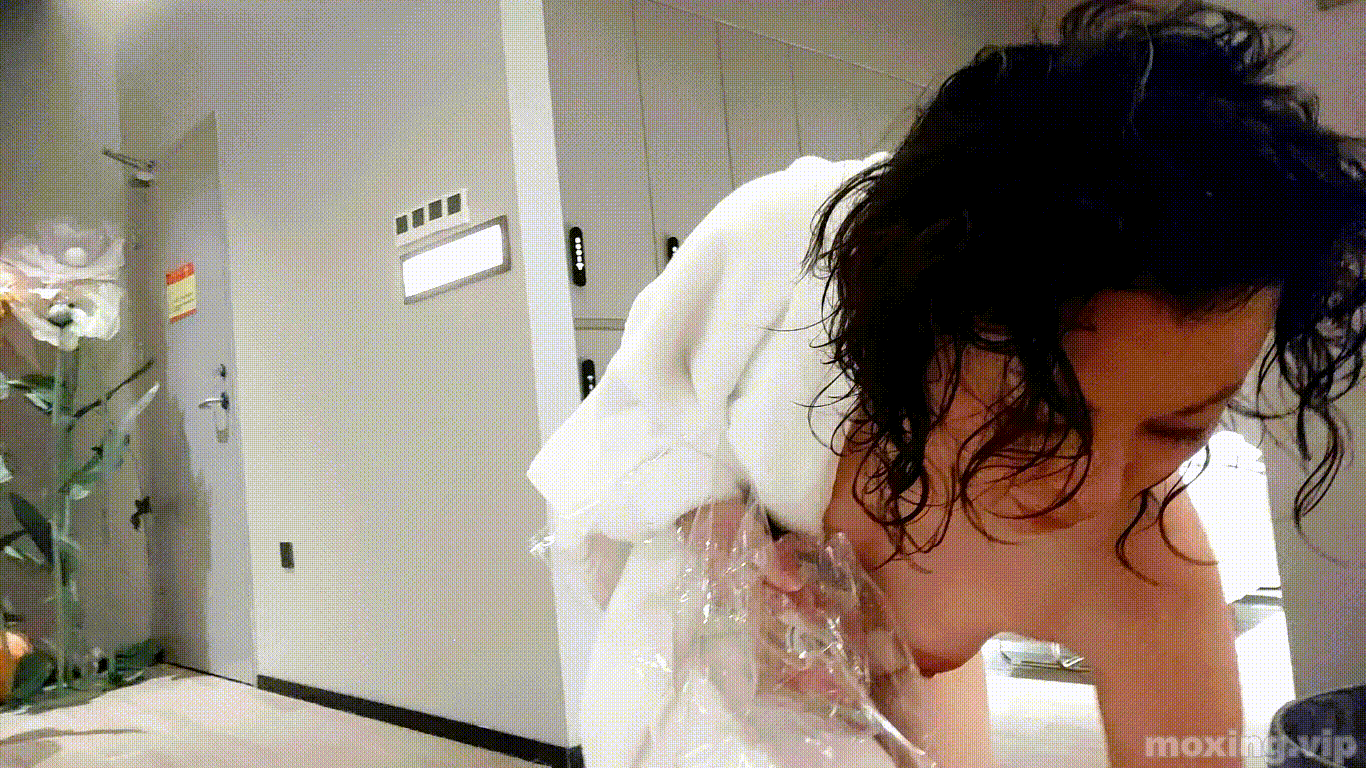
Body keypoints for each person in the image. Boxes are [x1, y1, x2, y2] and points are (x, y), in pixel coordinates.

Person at [526, 1, 1366, 766]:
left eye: (1178, 428)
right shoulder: (778, 270)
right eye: (1040, 419)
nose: (1096, 490)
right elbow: (639, 413)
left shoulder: (1143, 571)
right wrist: (727, 545)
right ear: (915, 330)